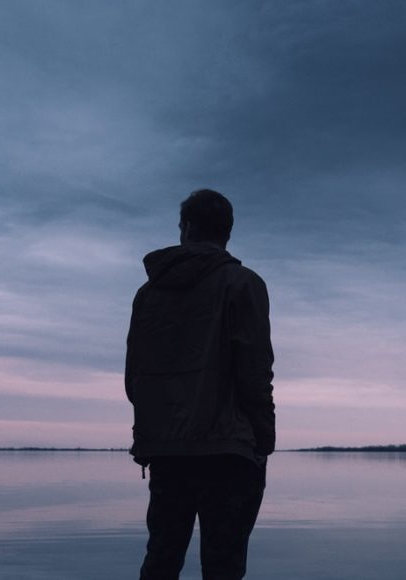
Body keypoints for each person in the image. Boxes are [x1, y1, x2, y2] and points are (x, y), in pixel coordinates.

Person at [125, 189, 275, 580]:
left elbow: (133, 377)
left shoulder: (148, 294)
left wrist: (158, 429)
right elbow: (256, 371)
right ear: (227, 232)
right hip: (229, 451)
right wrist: (264, 439)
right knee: (223, 567)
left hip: (167, 451)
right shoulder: (244, 284)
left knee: (161, 561)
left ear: (186, 228)